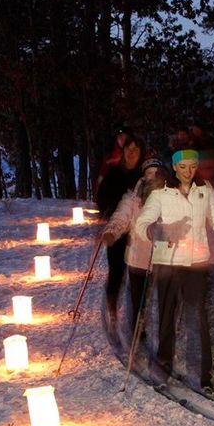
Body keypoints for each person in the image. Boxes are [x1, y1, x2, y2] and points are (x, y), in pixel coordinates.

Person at [134, 149, 214, 393]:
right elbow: (142, 223)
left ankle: (206, 377)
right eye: (183, 167)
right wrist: (157, 231)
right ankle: (163, 368)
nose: (188, 171)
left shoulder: (204, 190)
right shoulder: (161, 193)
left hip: (196, 263)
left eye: (192, 166)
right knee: (167, 316)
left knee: (199, 318)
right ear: (175, 167)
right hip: (167, 261)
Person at [101, 158, 170, 342]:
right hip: (137, 258)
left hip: (161, 257)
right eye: (148, 173)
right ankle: (138, 330)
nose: (152, 177)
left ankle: (167, 335)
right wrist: (111, 232)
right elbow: (121, 217)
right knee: (138, 298)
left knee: (164, 297)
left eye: (156, 173)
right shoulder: (133, 198)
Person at [96, 136, 145, 326]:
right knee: (116, 269)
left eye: (136, 149)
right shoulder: (114, 174)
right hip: (117, 230)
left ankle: (138, 314)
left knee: (137, 273)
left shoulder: (143, 176)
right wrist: (107, 210)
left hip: (138, 233)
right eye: (129, 149)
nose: (131, 153)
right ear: (123, 151)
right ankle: (112, 304)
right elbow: (101, 198)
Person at [95, 125, 132, 196]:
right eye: (120, 137)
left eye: (125, 138)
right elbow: (101, 179)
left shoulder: (136, 155)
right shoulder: (110, 158)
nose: (122, 140)